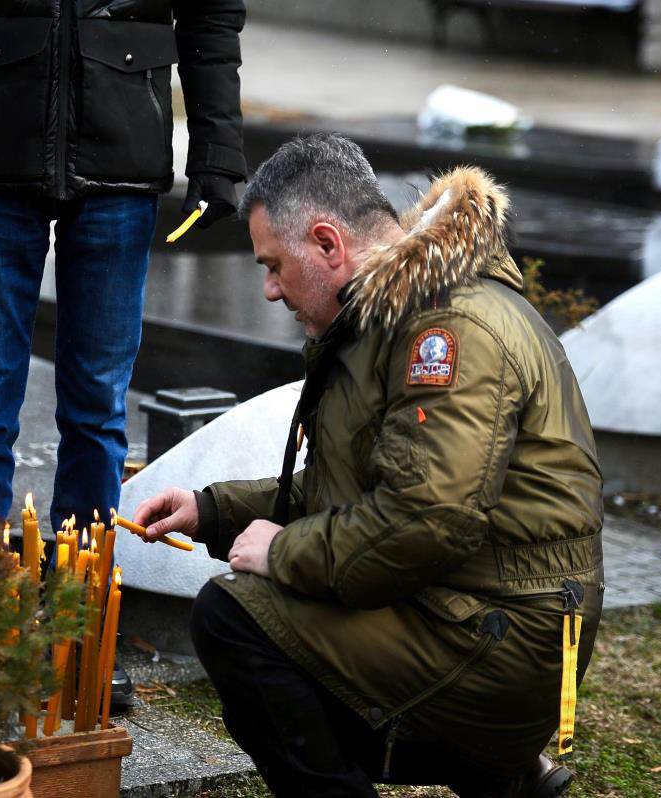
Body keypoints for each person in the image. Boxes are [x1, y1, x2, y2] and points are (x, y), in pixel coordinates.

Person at [133, 133, 604, 798]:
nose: (270, 291)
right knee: (270, 625)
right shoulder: (397, 311)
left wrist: (286, 549)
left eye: (274, 265)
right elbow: (355, 486)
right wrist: (213, 510)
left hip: (506, 639)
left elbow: (428, 517)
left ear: (329, 244)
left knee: (236, 619)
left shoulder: (448, 330)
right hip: (464, 609)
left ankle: (491, 759)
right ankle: (498, 772)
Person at [0, 0, 247, 536]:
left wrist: (217, 153)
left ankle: (79, 595)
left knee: (98, 405)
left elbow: (212, 13)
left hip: (120, 167)